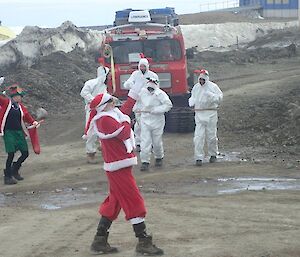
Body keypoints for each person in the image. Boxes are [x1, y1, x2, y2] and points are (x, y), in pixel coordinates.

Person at [84, 81, 163, 255]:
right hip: (117, 167)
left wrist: (136, 87)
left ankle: (99, 240)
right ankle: (143, 241)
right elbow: (125, 132)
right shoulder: (104, 119)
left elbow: (126, 108)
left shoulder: (111, 115)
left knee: (115, 201)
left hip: (118, 166)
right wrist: (128, 120)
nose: (115, 103)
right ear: (105, 106)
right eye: (111, 101)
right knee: (134, 201)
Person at [0, 84, 39, 185]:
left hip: (18, 132)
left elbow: (27, 116)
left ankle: (14, 169)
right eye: (19, 96)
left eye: (21, 96)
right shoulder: (6, 102)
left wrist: (33, 122)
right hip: (9, 132)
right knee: (11, 153)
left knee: (25, 153)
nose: (20, 98)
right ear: (14, 96)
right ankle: (7, 176)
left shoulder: (20, 107)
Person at [188, 69, 223, 166]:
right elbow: (193, 96)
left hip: (211, 114)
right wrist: (192, 102)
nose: (201, 82)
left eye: (203, 80)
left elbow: (220, 98)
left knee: (211, 136)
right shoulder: (196, 87)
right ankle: (198, 157)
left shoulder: (213, 87)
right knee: (198, 137)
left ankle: (213, 154)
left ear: (206, 79)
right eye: (200, 80)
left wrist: (211, 96)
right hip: (199, 115)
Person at [123, 56, 159, 151]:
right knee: (138, 123)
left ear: (147, 66)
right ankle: (138, 142)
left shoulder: (153, 75)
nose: (142, 68)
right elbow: (127, 83)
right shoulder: (135, 74)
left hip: (148, 102)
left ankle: (149, 142)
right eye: (141, 66)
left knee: (148, 123)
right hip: (137, 101)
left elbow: (157, 88)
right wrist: (130, 85)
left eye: (144, 66)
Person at [139, 78, 173, 171]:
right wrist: (137, 112)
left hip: (157, 120)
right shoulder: (142, 92)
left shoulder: (161, 94)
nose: (150, 90)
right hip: (145, 119)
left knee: (156, 141)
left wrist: (156, 110)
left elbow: (168, 105)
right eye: (148, 88)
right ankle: (145, 161)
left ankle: (159, 157)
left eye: (151, 89)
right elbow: (138, 103)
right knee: (145, 141)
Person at [80, 66, 109, 164]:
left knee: (104, 129)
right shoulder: (91, 83)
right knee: (91, 132)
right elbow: (84, 93)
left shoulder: (104, 86)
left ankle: (104, 149)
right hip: (92, 109)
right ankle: (90, 153)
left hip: (102, 109)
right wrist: (94, 101)